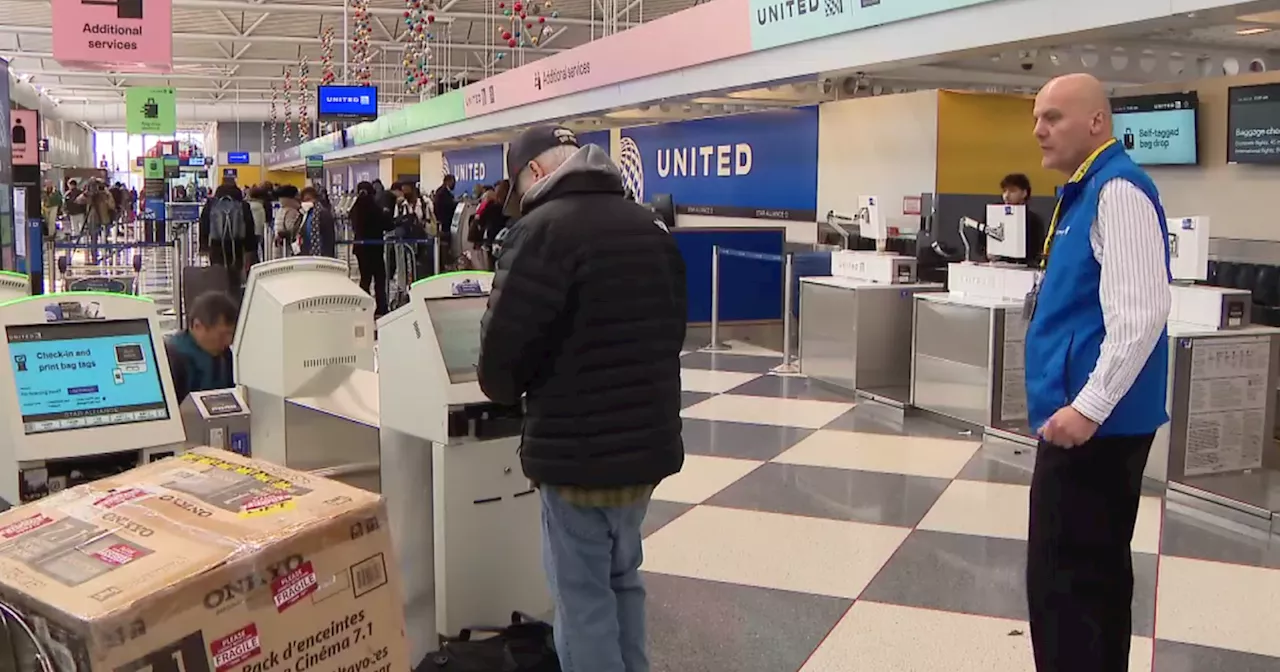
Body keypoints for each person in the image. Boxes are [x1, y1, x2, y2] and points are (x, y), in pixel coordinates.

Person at [478, 125, 687, 672]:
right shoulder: (650, 227)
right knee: (624, 580)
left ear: (538, 174)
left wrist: (505, 388)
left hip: (576, 456)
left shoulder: (540, 233)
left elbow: (500, 365)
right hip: (646, 450)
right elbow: (672, 332)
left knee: (582, 598)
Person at [1024, 73, 1171, 672]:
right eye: (1036, 117)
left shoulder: (1118, 190)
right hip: (1083, 423)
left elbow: (1141, 313)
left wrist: (1088, 406)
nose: (1039, 130)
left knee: (1069, 589)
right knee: (1088, 581)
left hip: (1094, 432)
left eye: (1053, 117)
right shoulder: (1082, 192)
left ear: (1096, 123)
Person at [164, 291, 238, 403]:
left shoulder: (225, 355)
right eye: (222, 335)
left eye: (231, 334)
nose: (228, 341)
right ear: (197, 326)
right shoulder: (172, 360)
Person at [199, 178, 255, 295]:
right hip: (238, 245)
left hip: (216, 244)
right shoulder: (243, 205)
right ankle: (234, 298)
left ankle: (220, 296)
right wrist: (250, 250)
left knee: (218, 272)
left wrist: (203, 246)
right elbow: (249, 228)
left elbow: (204, 224)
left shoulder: (212, 204)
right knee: (234, 274)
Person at [350, 181, 391, 315]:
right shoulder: (375, 208)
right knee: (379, 278)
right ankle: (381, 307)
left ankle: (363, 307)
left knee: (365, 279)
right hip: (375, 249)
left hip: (361, 249)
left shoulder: (355, 208)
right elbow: (387, 225)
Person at [996, 173, 1048, 267]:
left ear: (1024, 193)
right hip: (997, 267)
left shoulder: (1034, 220)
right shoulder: (994, 215)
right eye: (1004, 191)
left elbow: (1036, 250)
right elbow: (980, 245)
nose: (1006, 196)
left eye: (1012, 191)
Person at [299, 186, 337, 258]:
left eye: (308, 199)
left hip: (322, 254)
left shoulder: (324, 214)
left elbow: (329, 237)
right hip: (306, 254)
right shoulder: (303, 214)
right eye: (304, 200)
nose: (306, 203)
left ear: (315, 199)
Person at [246, 186, 270, 264]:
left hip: (250, 231)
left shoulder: (247, 205)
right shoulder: (262, 205)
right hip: (260, 231)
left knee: (251, 251)